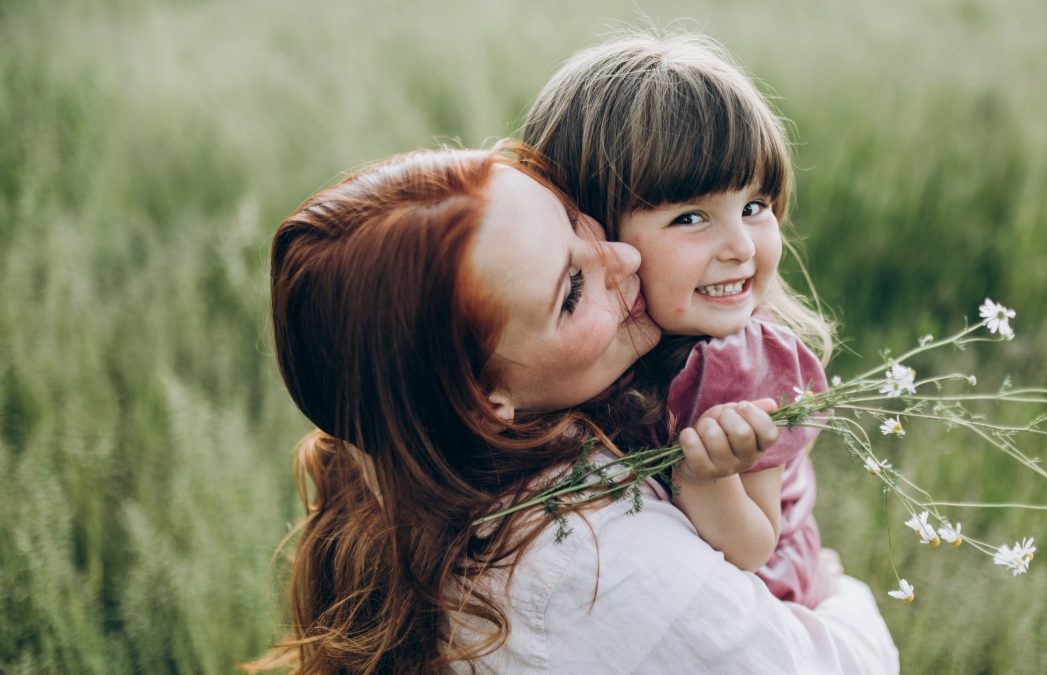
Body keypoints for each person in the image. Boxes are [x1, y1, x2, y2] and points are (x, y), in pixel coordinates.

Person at [256, 143, 898, 672]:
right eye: (571, 291)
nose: (624, 258)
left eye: (573, 218)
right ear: (484, 402)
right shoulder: (595, 564)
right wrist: (839, 586)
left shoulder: (413, 465)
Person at [523, 32, 840, 607]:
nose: (742, 246)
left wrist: (707, 477)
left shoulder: (745, 370)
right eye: (692, 217)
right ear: (593, 229)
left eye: (754, 207)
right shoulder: (578, 340)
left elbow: (755, 549)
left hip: (759, 609)